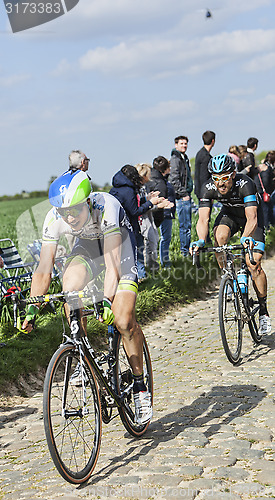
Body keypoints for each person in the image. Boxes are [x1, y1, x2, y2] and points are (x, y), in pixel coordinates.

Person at [22, 170, 153, 425]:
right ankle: (82, 354)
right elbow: (44, 268)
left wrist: (106, 299)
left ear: (88, 202)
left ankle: (140, 387)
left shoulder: (107, 206)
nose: (69, 217)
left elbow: (113, 264)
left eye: (74, 211)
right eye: (63, 212)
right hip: (88, 248)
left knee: (123, 321)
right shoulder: (55, 217)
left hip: (120, 247)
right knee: (70, 287)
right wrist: (32, 308)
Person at [190, 154, 271, 336]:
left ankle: (264, 312)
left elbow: (252, 218)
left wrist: (246, 237)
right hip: (230, 216)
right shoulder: (208, 186)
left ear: (233, 174)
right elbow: (203, 219)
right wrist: (201, 240)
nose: (220, 183)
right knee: (219, 239)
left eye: (225, 178)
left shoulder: (245, 184)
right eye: (216, 178)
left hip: (252, 219)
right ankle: (229, 277)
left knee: (254, 264)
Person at [109, 165, 172, 280]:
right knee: (137, 253)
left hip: (118, 227)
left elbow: (131, 204)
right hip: (130, 227)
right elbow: (135, 211)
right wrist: (151, 203)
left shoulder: (117, 188)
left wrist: (146, 199)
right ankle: (141, 278)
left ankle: (130, 278)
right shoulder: (128, 190)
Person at [169, 136, 193, 257]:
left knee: (188, 225)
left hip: (186, 195)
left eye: (185, 143)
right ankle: (185, 252)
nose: (184, 145)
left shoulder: (183, 158)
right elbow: (174, 179)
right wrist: (183, 194)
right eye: (182, 143)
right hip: (182, 197)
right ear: (176, 145)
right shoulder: (175, 159)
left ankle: (187, 250)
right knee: (184, 226)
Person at [134, 163, 159, 271]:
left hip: (147, 219)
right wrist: (152, 203)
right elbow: (137, 207)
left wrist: (148, 199)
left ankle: (149, 271)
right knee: (146, 247)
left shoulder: (142, 187)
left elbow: (141, 202)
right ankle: (145, 272)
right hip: (142, 222)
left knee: (151, 244)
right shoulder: (135, 189)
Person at [254, 150, 275, 229]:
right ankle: (267, 228)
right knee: (265, 211)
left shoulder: (261, 166)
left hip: (259, 191)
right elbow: (265, 181)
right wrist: (268, 191)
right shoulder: (267, 168)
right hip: (263, 192)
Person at [194, 130, 216, 201]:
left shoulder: (200, 153)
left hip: (200, 190)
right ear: (213, 141)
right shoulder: (206, 156)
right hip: (204, 192)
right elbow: (204, 177)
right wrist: (208, 192)